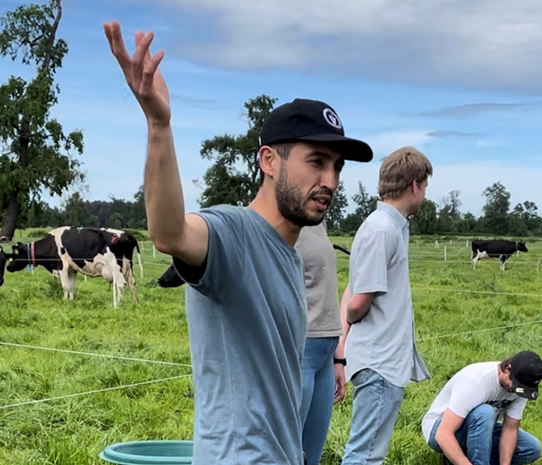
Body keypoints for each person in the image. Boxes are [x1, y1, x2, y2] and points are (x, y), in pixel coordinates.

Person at [102, 21, 374, 465]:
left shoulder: (289, 252)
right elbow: (170, 233)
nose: (330, 181)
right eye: (316, 162)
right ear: (269, 160)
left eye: (338, 167)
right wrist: (158, 126)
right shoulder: (233, 233)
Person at [339, 146, 433, 465]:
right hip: (379, 360)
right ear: (415, 185)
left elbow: (355, 286)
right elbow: (359, 298)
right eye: (425, 186)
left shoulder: (389, 226)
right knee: (365, 455)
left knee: (368, 452)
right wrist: (352, 315)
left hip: (384, 359)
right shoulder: (382, 229)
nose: (424, 194)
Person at [421, 351, 542, 465]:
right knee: (485, 413)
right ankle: (461, 456)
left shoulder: (521, 389)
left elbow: (510, 429)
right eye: (516, 386)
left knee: (531, 448)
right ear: (508, 368)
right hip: (439, 428)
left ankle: (458, 456)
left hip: (479, 429)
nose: (515, 391)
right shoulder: (476, 381)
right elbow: (443, 434)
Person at [295, 221, 348, 465]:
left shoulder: (318, 221)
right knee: (288, 453)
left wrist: (337, 356)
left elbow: (325, 290)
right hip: (299, 352)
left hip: (324, 357)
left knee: (311, 457)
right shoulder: (274, 221)